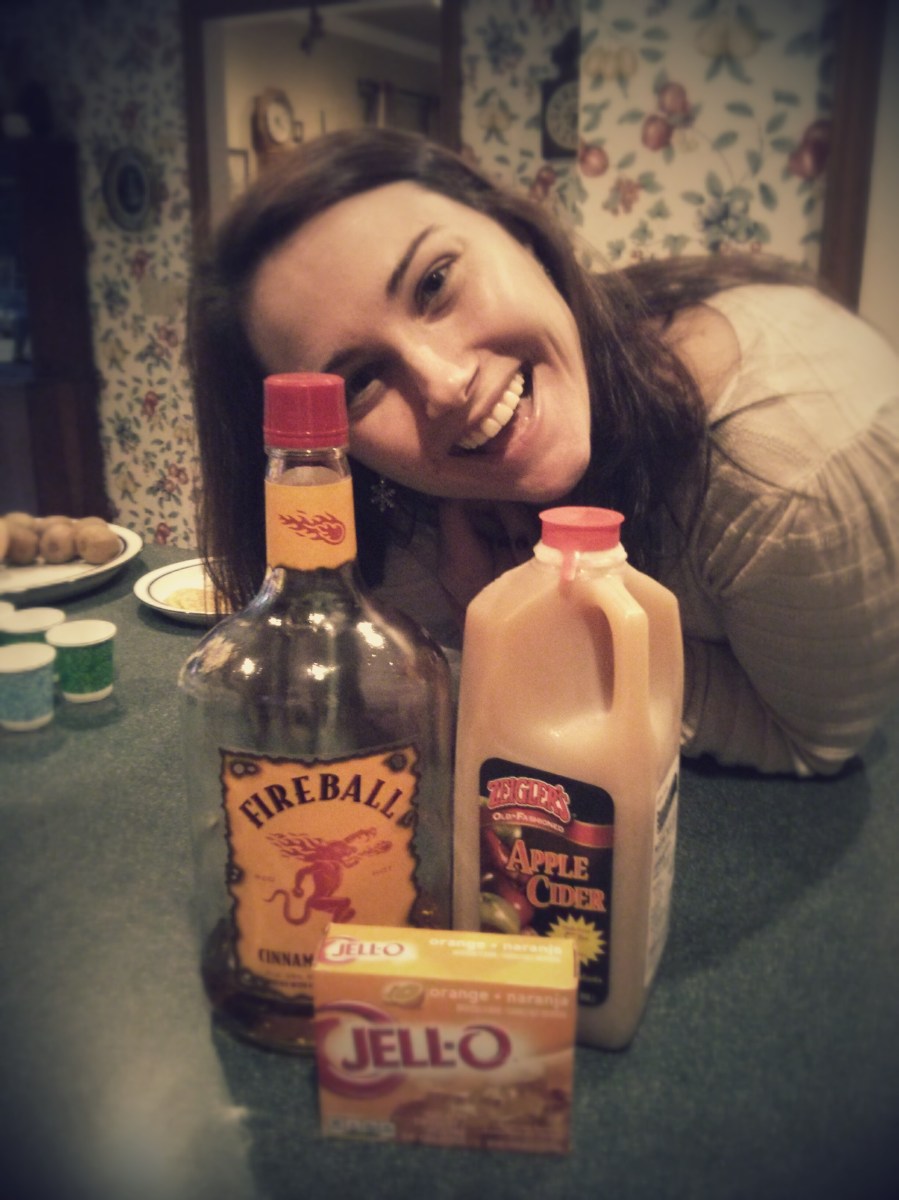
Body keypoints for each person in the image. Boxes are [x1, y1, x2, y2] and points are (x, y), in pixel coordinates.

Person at [187, 127, 899, 778]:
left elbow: (811, 739)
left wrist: (543, 642)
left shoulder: (788, 476)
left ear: (520, 234)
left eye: (434, 283)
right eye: (361, 380)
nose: (445, 384)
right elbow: (372, 696)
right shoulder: (386, 488)